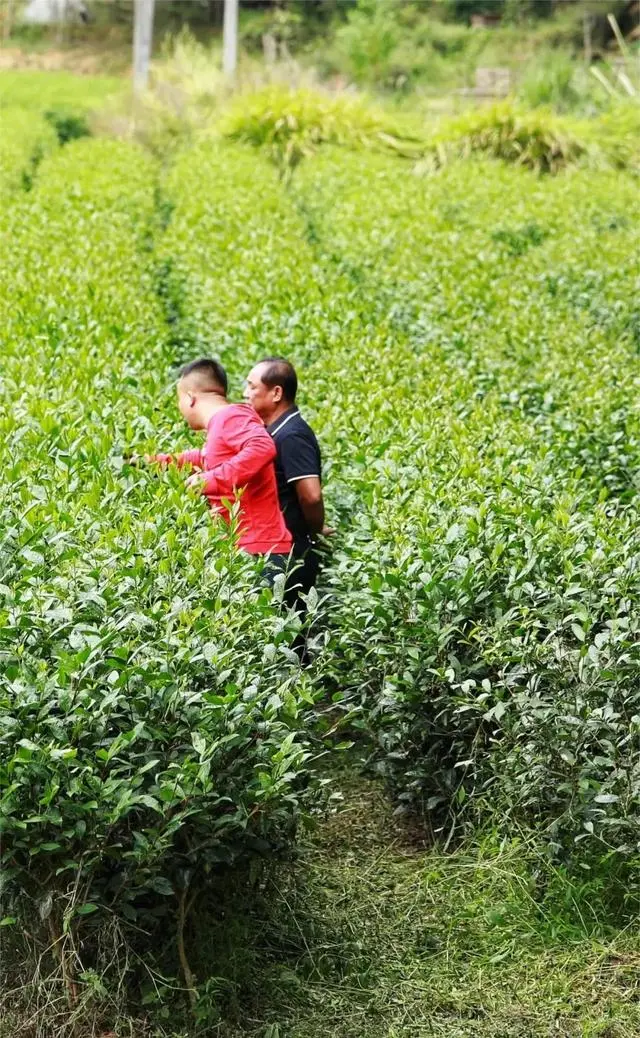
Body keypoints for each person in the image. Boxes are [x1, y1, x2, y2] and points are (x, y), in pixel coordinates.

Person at [150, 358, 292, 564]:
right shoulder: (222, 422)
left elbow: (263, 447)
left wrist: (211, 480)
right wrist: (148, 462)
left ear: (190, 398)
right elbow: (205, 458)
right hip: (247, 547)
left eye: (178, 401)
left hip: (259, 552)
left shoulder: (231, 417)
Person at [244, 357, 325, 608]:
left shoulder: (292, 435)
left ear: (276, 393)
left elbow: (311, 496)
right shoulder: (277, 431)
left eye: (252, 387)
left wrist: (314, 530)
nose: (245, 394)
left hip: (290, 553)